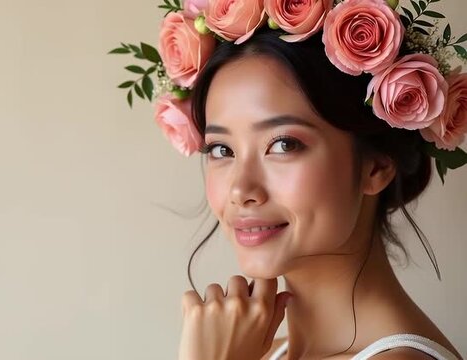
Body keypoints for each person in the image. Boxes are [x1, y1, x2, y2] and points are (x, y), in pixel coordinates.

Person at [109, 0, 467, 358]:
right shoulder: (260, 352)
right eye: (221, 150)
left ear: (376, 166)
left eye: (283, 144)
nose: (240, 190)